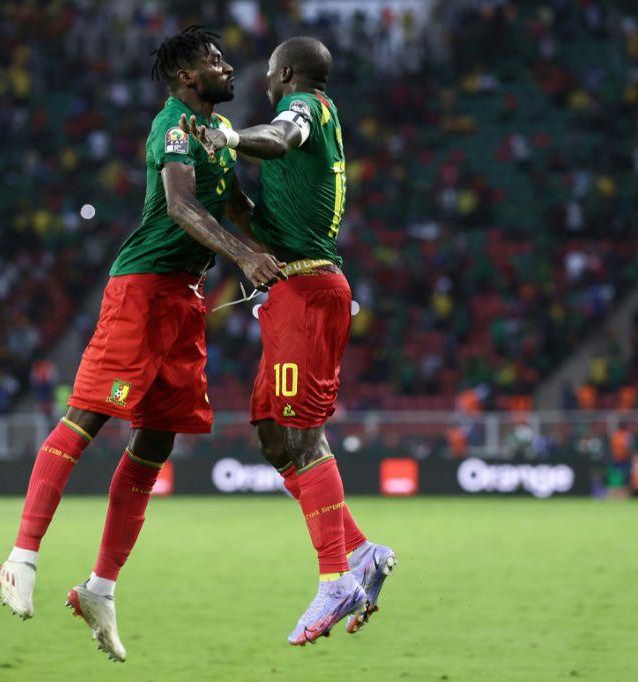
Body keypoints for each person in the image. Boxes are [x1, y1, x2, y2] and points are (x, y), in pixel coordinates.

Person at [0, 26, 286, 663]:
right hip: (141, 290)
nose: (228, 66)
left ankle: (100, 587)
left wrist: (280, 249)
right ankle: (21, 559)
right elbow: (182, 207)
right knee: (90, 415)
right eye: (215, 61)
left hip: (183, 299)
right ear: (186, 76)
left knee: (156, 442)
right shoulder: (174, 127)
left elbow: (235, 206)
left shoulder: (217, 138)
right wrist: (244, 257)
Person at [184, 36, 395, 646]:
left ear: (287, 73)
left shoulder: (307, 108)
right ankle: (360, 553)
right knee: (274, 434)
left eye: (271, 75)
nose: (267, 84)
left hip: (309, 292)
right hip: (288, 294)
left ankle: (334, 577)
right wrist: (222, 189)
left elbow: (277, 137)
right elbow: (259, 222)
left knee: (303, 436)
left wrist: (228, 138)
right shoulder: (296, 148)